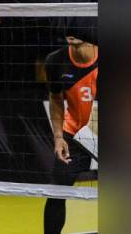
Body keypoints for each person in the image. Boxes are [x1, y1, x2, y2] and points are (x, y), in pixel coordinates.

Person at [44, 33, 98, 234]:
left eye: (77, 26)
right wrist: (58, 137)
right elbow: (56, 99)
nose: (71, 31)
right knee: (56, 192)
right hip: (75, 136)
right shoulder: (56, 61)